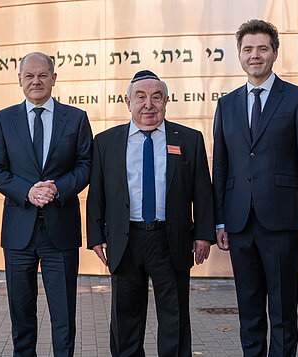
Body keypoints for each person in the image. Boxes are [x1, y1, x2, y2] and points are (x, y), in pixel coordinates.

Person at [213, 20, 298, 357]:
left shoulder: (297, 99)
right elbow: (221, 167)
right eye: (248, 49)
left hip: (283, 222)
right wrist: (219, 221)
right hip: (239, 222)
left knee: (282, 310)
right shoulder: (226, 104)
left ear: (274, 52)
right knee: (248, 309)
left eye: (262, 48)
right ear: (239, 55)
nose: (255, 55)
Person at [86, 70, 215, 357]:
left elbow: (202, 192)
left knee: (175, 317)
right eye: (140, 97)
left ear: (166, 101)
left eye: (156, 97)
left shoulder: (189, 139)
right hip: (125, 240)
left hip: (171, 239)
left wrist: (204, 235)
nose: (149, 104)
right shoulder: (106, 142)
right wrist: (96, 236)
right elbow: (97, 194)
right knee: (125, 319)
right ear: (127, 102)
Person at [0, 52, 92, 357]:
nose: (36, 81)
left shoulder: (76, 118)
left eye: (42, 75)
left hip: (61, 231)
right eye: (29, 76)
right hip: (19, 231)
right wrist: (27, 191)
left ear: (53, 79)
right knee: (21, 313)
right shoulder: (5, 119)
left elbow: (86, 165)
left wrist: (57, 189)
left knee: (63, 315)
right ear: (20, 80)